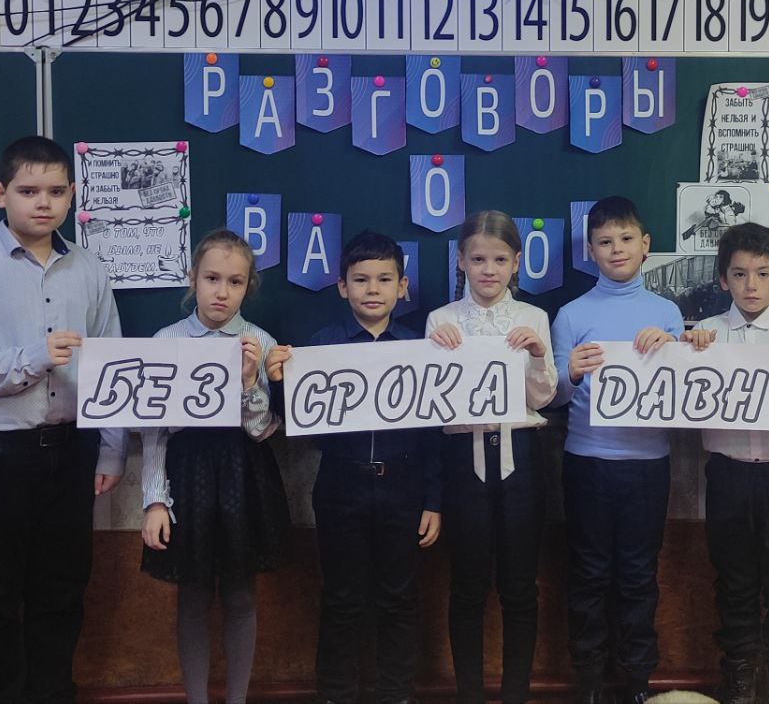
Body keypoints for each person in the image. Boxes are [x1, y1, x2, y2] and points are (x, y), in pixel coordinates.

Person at [0, 135, 125, 704]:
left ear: (71, 196)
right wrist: (30, 360)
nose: (43, 203)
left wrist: (112, 449)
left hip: (72, 451)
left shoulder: (88, 268)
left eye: (56, 191)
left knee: (61, 593)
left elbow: (112, 361)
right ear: (0, 193)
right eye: (29, 190)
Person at [269, 231, 442, 704]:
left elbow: (434, 433)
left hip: (404, 484)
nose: (372, 289)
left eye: (385, 279)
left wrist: (433, 500)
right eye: (361, 279)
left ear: (402, 287)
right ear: (342, 286)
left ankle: (397, 693)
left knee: (399, 597)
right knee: (341, 598)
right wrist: (281, 382)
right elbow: (297, 422)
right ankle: (336, 693)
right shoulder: (319, 347)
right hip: (340, 484)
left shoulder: (420, 347)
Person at [140, 229, 292, 704]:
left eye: (235, 282)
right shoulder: (166, 340)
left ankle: (237, 699)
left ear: (248, 286)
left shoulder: (260, 342)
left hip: (243, 474)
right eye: (211, 278)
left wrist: (248, 383)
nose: (222, 292)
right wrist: (155, 500)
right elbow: (154, 431)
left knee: (241, 595)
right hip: (188, 475)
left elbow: (264, 430)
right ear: (193, 279)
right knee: (192, 596)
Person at [551, 195, 684, 704]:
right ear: (590, 251)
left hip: (648, 466)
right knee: (588, 573)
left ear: (645, 244)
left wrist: (673, 348)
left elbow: (683, 390)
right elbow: (552, 395)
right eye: (605, 242)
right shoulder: (571, 315)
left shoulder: (667, 313)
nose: (617, 249)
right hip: (587, 463)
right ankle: (588, 680)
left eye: (626, 239)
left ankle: (636, 681)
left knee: (637, 575)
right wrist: (571, 372)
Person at [426, 210, 558, 704]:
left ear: (516, 262)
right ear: (461, 261)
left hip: (521, 457)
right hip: (464, 459)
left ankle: (516, 694)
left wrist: (539, 355)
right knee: (467, 585)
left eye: (500, 260)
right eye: (478, 259)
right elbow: (431, 402)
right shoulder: (440, 320)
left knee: (520, 586)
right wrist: (434, 352)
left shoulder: (533, 318)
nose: (489, 270)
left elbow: (543, 398)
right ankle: (469, 694)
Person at [682, 223, 769, 704]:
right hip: (728, 473)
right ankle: (737, 679)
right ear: (723, 280)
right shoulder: (704, 336)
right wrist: (679, 350)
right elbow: (669, 384)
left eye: (762, 274)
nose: (751, 285)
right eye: (739, 274)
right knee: (734, 581)